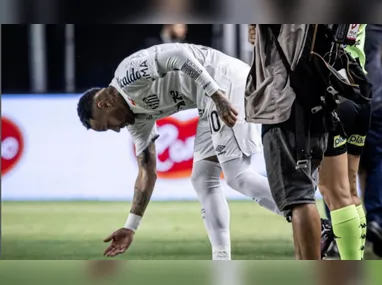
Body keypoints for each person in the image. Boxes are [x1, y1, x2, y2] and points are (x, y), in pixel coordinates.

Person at [76, 43, 285, 260]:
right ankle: (221, 259)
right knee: (202, 178)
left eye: (108, 125)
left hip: (223, 83)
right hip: (207, 100)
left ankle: (310, 220)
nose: (117, 129)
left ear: (103, 104)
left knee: (237, 175)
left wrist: (217, 95)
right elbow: (147, 172)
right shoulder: (135, 121)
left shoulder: (127, 76)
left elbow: (178, 55)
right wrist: (131, 227)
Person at [319, 24, 370, 260]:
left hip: (334, 94)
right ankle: (355, 262)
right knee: (349, 189)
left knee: (333, 191)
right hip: (360, 91)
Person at [360, 24, 382, 257]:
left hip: (342, 98)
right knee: (376, 162)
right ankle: (375, 218)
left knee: (339, 169)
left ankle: (338, 229)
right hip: (375, 98)